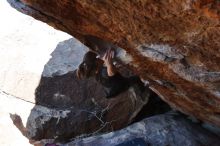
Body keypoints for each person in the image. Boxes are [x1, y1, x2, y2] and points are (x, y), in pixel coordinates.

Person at [77, 49, 145, 98]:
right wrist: (109, 63)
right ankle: (143, 92)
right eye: (97, 57)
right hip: (123, 86)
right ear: (96, 63)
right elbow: (110, 70)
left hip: (112, 90)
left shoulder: (96, 73)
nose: (100, 57)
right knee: (137, 78)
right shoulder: (106, 70)